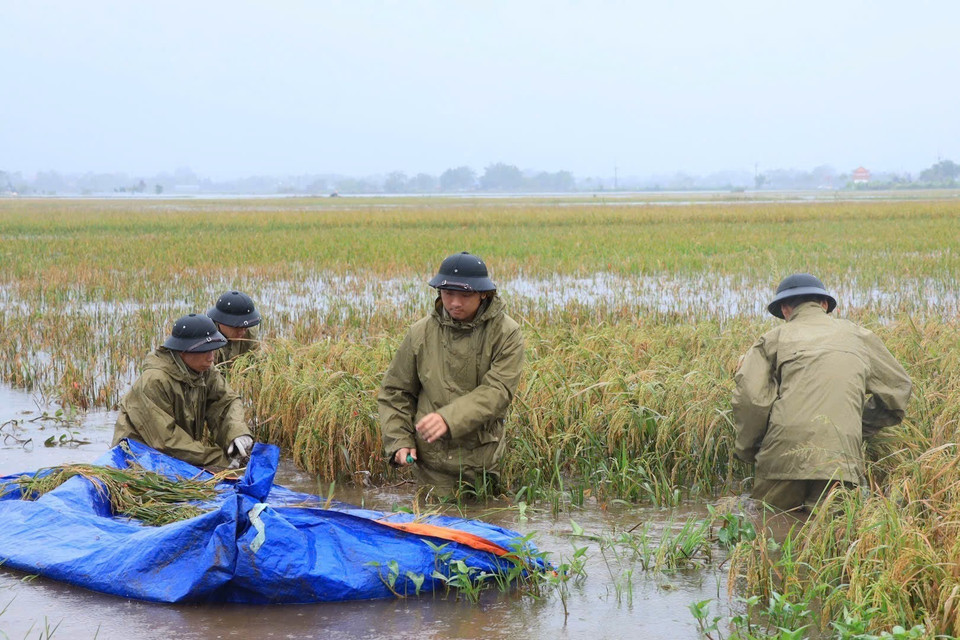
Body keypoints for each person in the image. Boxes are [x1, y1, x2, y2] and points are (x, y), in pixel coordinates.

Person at [732, 273, 912, 512]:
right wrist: (857, 427)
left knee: (770, 529)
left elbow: (751, 399)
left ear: (785, 309)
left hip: (783, 454)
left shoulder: (773, 338)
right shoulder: (859, 336)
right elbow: (898, 390)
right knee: (831, 538)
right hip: (841, 457)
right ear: (825, 304)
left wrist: (747, 449)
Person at [379, 252, 524, 498]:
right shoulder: (420, 333)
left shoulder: (506, 333)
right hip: (430, 462)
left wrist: (448, 419)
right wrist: (399, 440)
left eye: (465, 295)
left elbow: (497, 391)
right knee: (430, 527)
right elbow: (396, 392)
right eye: (448, 294)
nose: (455, 302)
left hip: (481, 461)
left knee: (483, 523)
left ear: (484, 293)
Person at [112, 313, 255, 469]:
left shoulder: (205, 371)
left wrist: (237, 434)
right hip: (137, 457)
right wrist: (221, 460)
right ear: (183, 350)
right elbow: (166, 441)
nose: (211, 358)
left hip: (174, 457)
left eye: (213, 350)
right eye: (205, 350)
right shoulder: (154, 381)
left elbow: (226, 402)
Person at [207, 290, 261, 370]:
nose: (242, 332)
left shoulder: (250, 333)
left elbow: (257, 364)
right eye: (236, 327)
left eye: (245, 327)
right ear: (220, 321)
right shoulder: (206, 339)